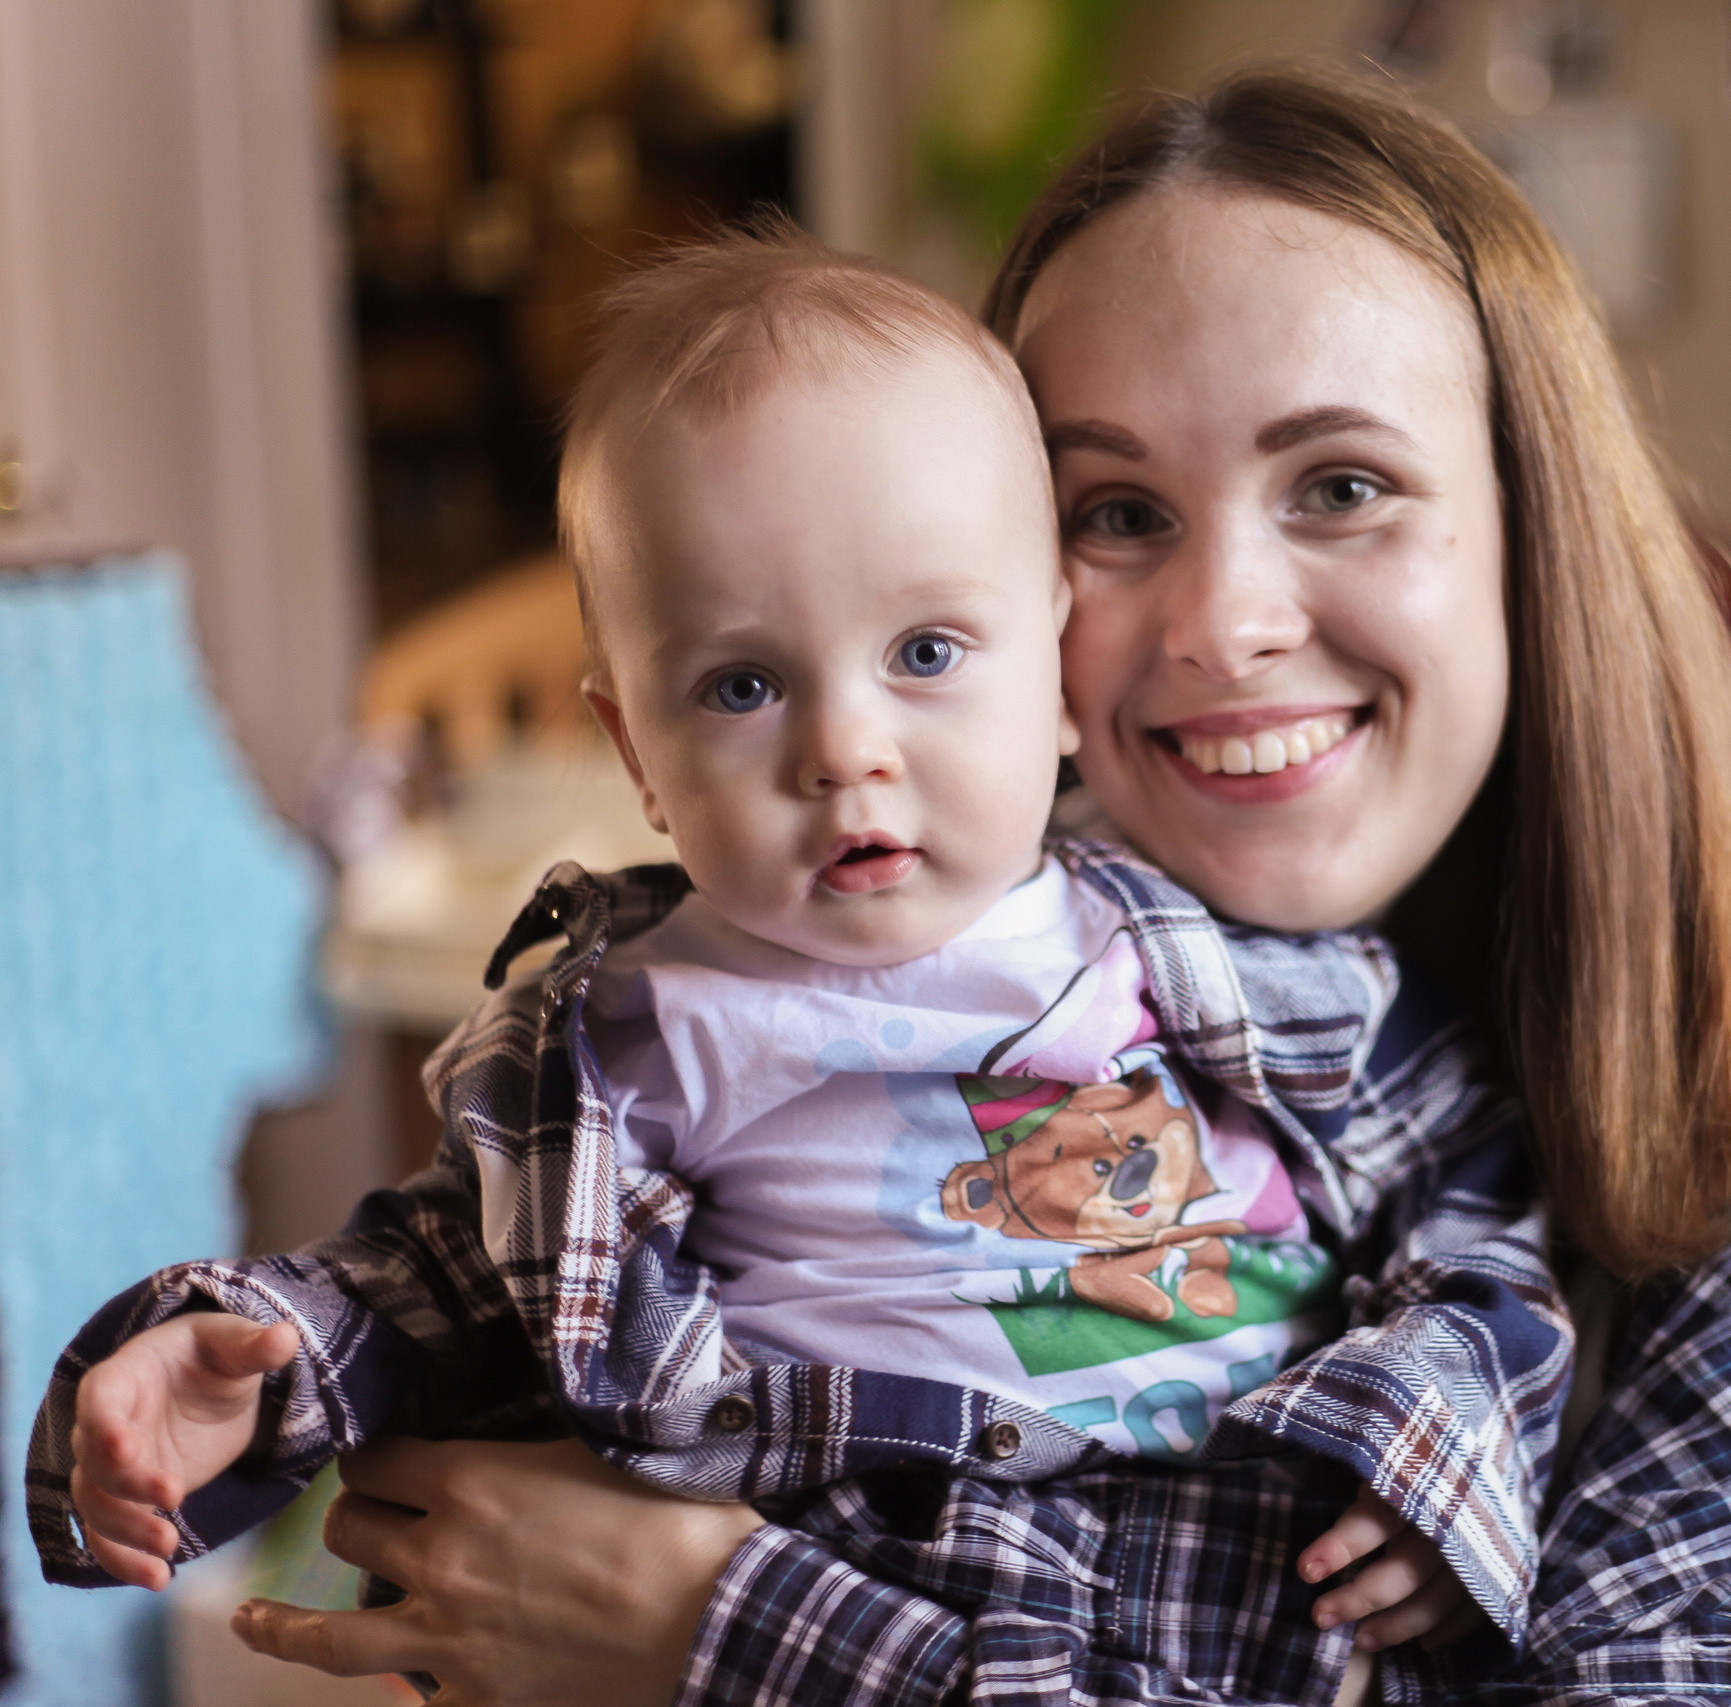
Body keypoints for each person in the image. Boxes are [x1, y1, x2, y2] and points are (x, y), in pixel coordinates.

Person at [219, 64, 1731, 1706]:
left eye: (1343, 485)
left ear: (1535, 534)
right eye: (1118, 512)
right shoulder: (839, 989)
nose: (1223, 624)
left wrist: (706, 1625)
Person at [27, 224, 1572, 1704]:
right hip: (876, 1576)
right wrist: (257, 1361)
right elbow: (439, 1278)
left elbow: (1462, 1183)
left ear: (1054, 664)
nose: (845, 750)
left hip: (1247, 1565)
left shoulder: (1193, 950)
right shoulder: (630, 1035)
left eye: (925, 654)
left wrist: (1437, 1430)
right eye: (743, 686)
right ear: (636, 747)